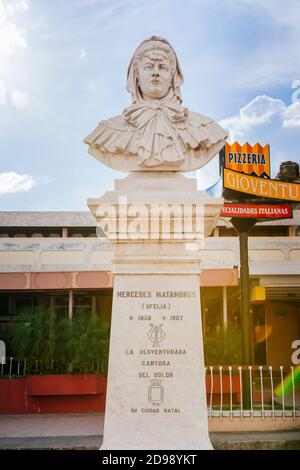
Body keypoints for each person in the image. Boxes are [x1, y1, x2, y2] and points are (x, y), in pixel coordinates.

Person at [84, 36, 227, 172]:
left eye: (163, 67)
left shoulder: (206, 129)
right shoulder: (108, 130)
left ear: (172, 76)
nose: (155, 73)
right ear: (137, 76)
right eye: (148, 67)